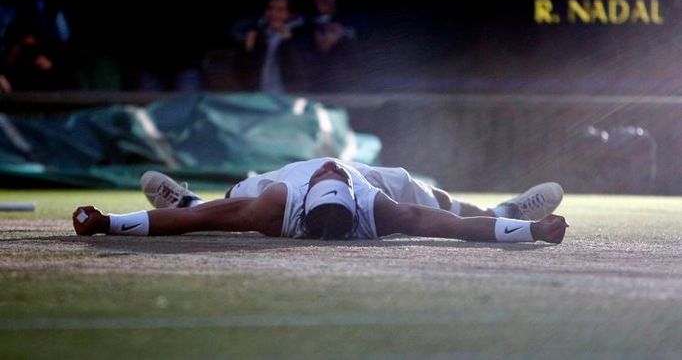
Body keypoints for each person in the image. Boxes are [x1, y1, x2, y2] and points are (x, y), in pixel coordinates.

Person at [72, 158, 568, 243]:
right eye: (334, 174)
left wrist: (109, 224)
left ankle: (183, 198)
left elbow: (202, 223)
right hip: (373, 182)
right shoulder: (378, 209)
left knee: (220, 203)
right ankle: (507, 211)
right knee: (437, 202)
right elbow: (454, 228)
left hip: (280, 183)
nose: (330, 165)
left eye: (328, 174)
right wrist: (530, 232)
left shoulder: (276, 203)